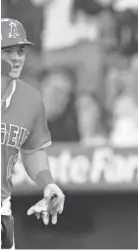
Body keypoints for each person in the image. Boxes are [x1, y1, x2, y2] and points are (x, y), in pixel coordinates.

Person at [1, 18, 65, 249]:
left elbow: (32, 150)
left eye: (20, 50)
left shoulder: (30, 99)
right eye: (7, 51)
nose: (17, 57)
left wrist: (48, 183)